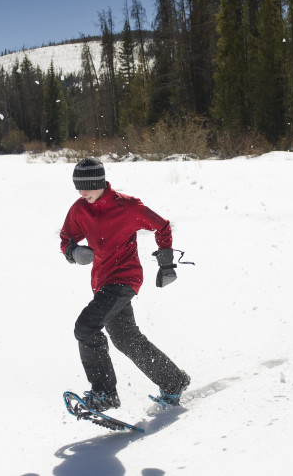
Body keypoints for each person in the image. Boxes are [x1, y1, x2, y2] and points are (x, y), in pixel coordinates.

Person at [59, 157, 190, 412]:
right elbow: (66, 238)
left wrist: (166, 262)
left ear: (99, 182)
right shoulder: (79, 209)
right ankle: (173, 381)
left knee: (86, 328)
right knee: (125, 339)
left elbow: (161, 226)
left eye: (86, 186)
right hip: (101, 282)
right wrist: (73, 252)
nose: (82, 192)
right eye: (78, 186)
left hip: (125, 278)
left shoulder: (127, 206)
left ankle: (104, 394)